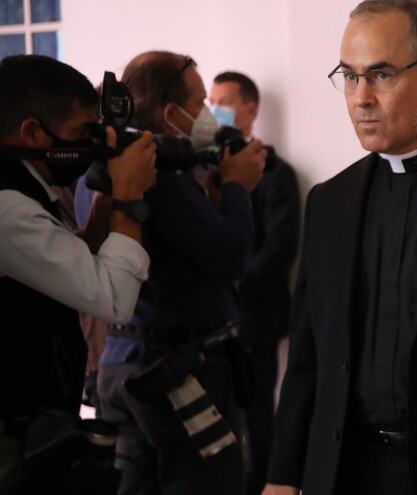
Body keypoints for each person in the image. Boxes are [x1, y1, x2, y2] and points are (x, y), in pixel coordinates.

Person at [264, 1, 417, 494]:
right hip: (340, 468)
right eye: (349, 76)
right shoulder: (329, 201)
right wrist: (281, 475)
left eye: (381, 75)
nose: (361, 98)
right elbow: (307, 356)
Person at [97, 51, 267, 495]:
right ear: (171, 114)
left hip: (121, 361)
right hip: (176, 371)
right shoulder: (158, 170)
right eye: (200, 101)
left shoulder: (104, 163)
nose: (208, 113)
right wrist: (237, 186)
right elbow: (231, 255)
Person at [0, 54, 156, 492]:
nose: (91, 143)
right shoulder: (8, 208)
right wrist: (129, 195)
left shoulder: (25, 186)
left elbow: (69, 266)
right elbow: (113, 299)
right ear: (33, 133)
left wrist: (105, 200)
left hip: (36, 421)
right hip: (15, 435)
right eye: (81, 132)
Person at [210, 71, 302, 495]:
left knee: (258, 418)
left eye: (224, 102)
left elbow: (279, 250)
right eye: (211, 101)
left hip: (256, 319)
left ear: (251, 110)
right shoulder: (207, 168)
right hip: (213, 323)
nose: (215, 109)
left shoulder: (277, 173)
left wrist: (229, 277)